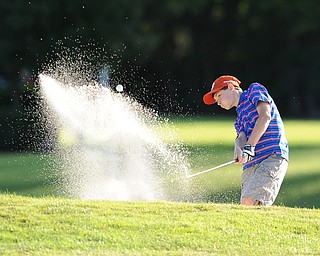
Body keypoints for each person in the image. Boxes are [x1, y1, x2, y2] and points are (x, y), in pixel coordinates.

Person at [203, 75, 289, 206]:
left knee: (251, 202)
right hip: (252, 163)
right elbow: (241, 137)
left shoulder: (254, 91)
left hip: (271, 156)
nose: (218, 102)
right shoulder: (239, 119)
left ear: (231, 87)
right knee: (246, 206)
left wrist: (250, 146)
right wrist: (238, 149)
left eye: (219, 96)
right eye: (216, 100)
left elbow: (265, 116)